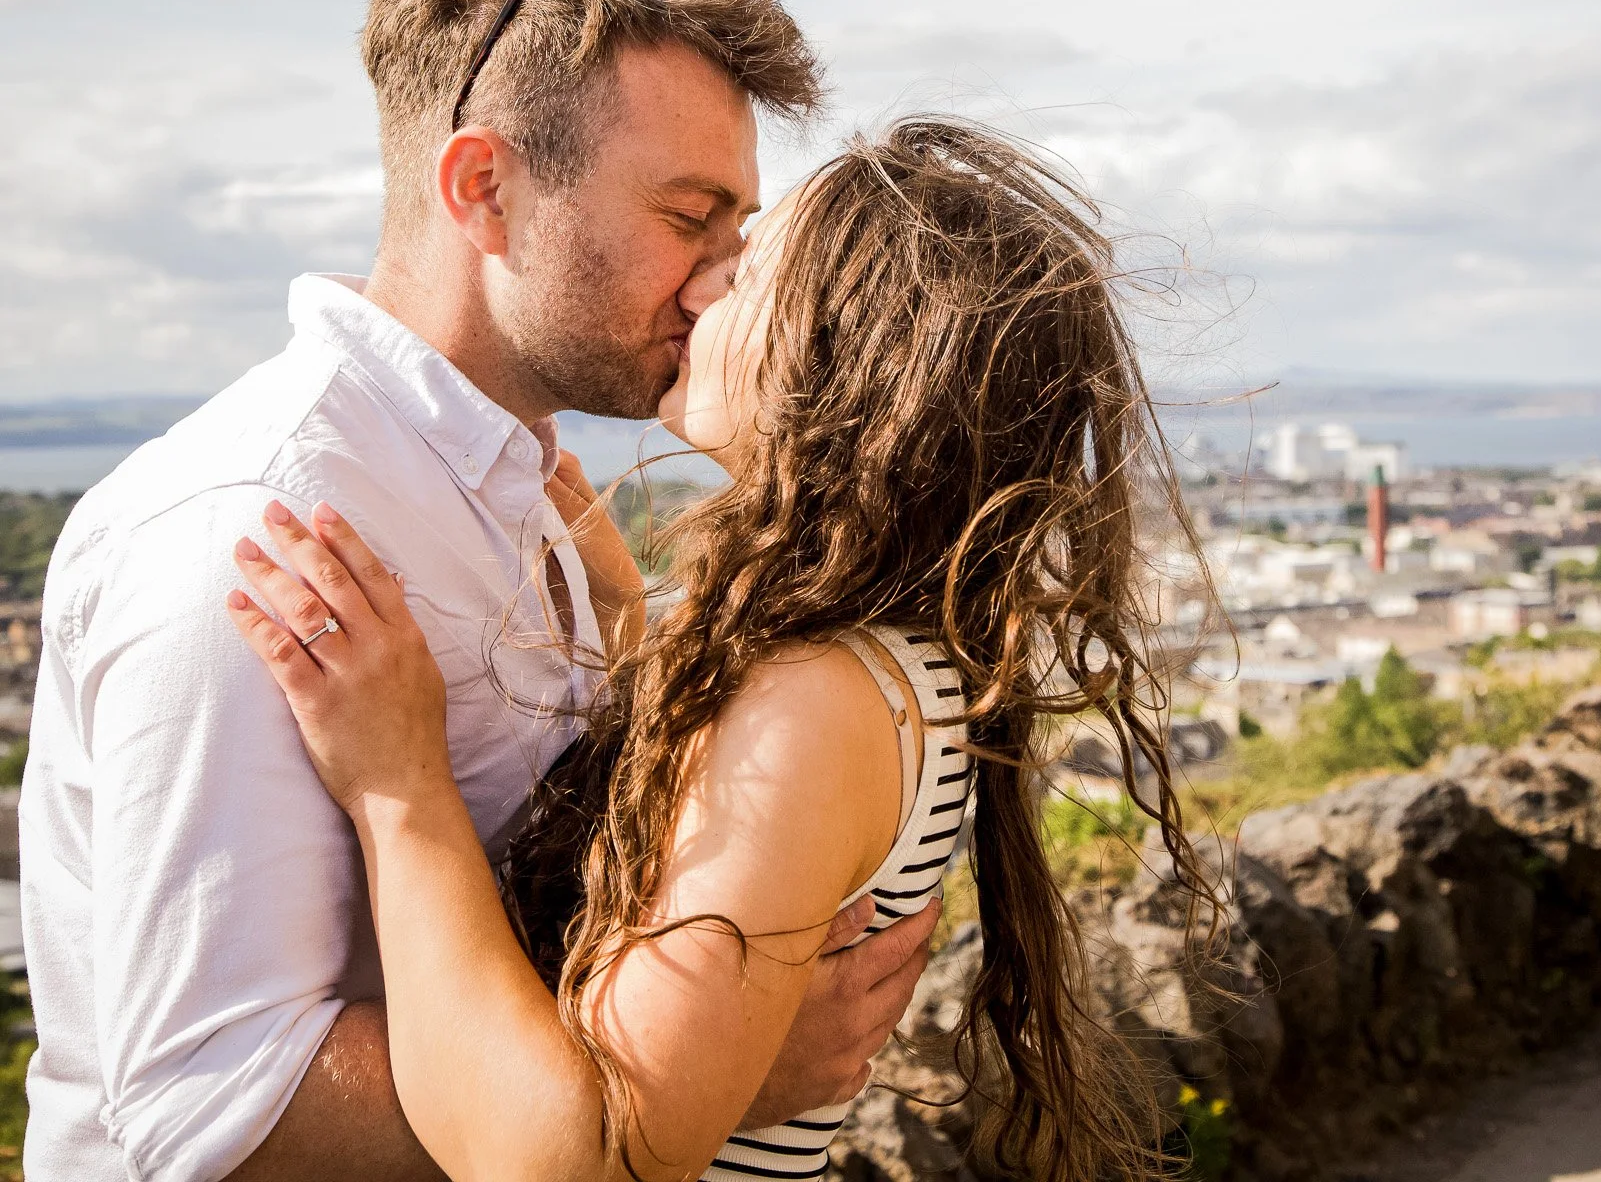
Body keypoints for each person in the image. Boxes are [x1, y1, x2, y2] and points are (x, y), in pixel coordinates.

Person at [19, 0, 938, 1181]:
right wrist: (701, 1073)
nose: (723, 284)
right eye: (690, 216)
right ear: (483, 190)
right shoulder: (260, 528)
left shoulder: (521, 487)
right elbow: (209, 1116)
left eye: (738, 233)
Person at [221, 117, 1216, 1182]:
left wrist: (396, 786)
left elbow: (573, 1167)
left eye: (744, 275)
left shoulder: (817, 696)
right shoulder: (869, 666)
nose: (697, 289)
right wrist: (629, 648)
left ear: (851, 359)